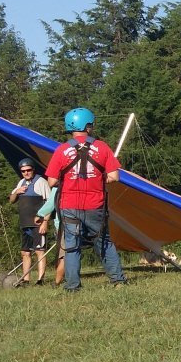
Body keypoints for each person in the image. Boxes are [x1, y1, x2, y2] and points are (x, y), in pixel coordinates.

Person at [44, 107, 127, 291]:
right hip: (95, 205)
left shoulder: (61, 150)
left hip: (69, 206)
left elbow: (52, 182)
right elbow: (114, 176)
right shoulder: (102, 147)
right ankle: (118, 281)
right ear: (88, 126)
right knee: (103, 241)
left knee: (72, 246)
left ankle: (72, 286)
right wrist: (99, 179)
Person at [8, 158, 50, 286]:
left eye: (28, 170)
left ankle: (40, 280)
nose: (26, 173)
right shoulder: (21, 182)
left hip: (38, 224)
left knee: (39, 251)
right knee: (25, 252)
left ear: (33, 169)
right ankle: (26, 280)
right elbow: (11, 200)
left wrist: (45, 222)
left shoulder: (41, 182)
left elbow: (50, 203)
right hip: (25, 223)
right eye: (23, 171)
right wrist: (17, 192)